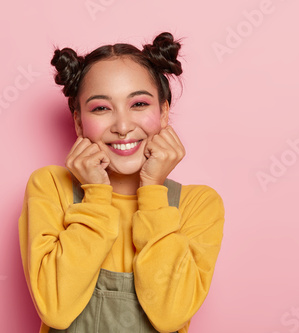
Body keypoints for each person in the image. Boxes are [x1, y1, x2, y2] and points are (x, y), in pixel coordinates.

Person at [18, 32, 225, 333]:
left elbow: (169, 316)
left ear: (164, 112)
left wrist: (153, 191)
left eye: (139, 104)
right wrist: (97, 196)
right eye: (101, 108)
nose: (123, 126)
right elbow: (57, 311)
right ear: (78, 122)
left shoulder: (198, 205)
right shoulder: (51, 187)